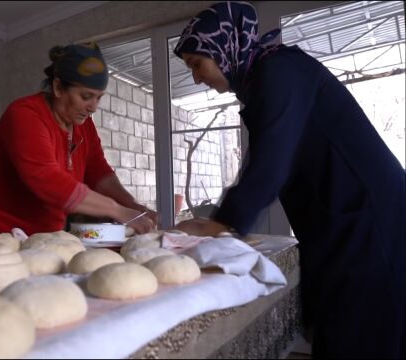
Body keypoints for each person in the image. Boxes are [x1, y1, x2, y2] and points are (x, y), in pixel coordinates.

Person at [172, 2, 404, 358]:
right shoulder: (263, 78)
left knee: (363, 336)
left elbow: (270, 163)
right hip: (342, 218)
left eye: (197, 64)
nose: (196, 77)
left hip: (372, 223)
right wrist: (225, 219)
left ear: (225, 47)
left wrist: (222, 224)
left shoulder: (279, 70)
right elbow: (266, 158)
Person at [0, 42, 157, 237]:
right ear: (58, 87)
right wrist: (116, 210)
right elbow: (47, 179)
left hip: (45, 232)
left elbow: (98, 172)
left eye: (98, 98)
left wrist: (131, 204)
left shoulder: (84, 125)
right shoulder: (25, 114)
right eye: (86, 96)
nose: (93, 107)